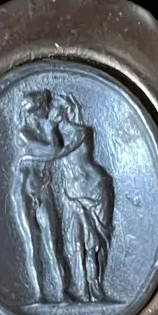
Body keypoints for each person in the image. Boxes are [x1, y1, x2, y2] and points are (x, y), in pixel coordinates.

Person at [49, 94, 114, 303]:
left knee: (92, 244)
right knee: (74, 243)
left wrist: (47, 131)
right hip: (71, 192)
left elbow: (60, 152)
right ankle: (82, 289)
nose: (51, 112)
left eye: (55, 108)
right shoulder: (55, 136)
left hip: (93, 188)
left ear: (65, 110)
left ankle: (95, 288)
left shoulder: (81, 132)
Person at [10, 91, 69, 303]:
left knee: (53, 242)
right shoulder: (22, 134)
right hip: (23, 191)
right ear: (35, 111)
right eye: (45, 107)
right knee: (32, 242)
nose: (48, 110)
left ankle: (62, 293)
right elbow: (53, 151)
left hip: (44, 188)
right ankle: (39, 294)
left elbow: (56, 150)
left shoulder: (46, 131)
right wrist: (51, 128)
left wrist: (51, 130)